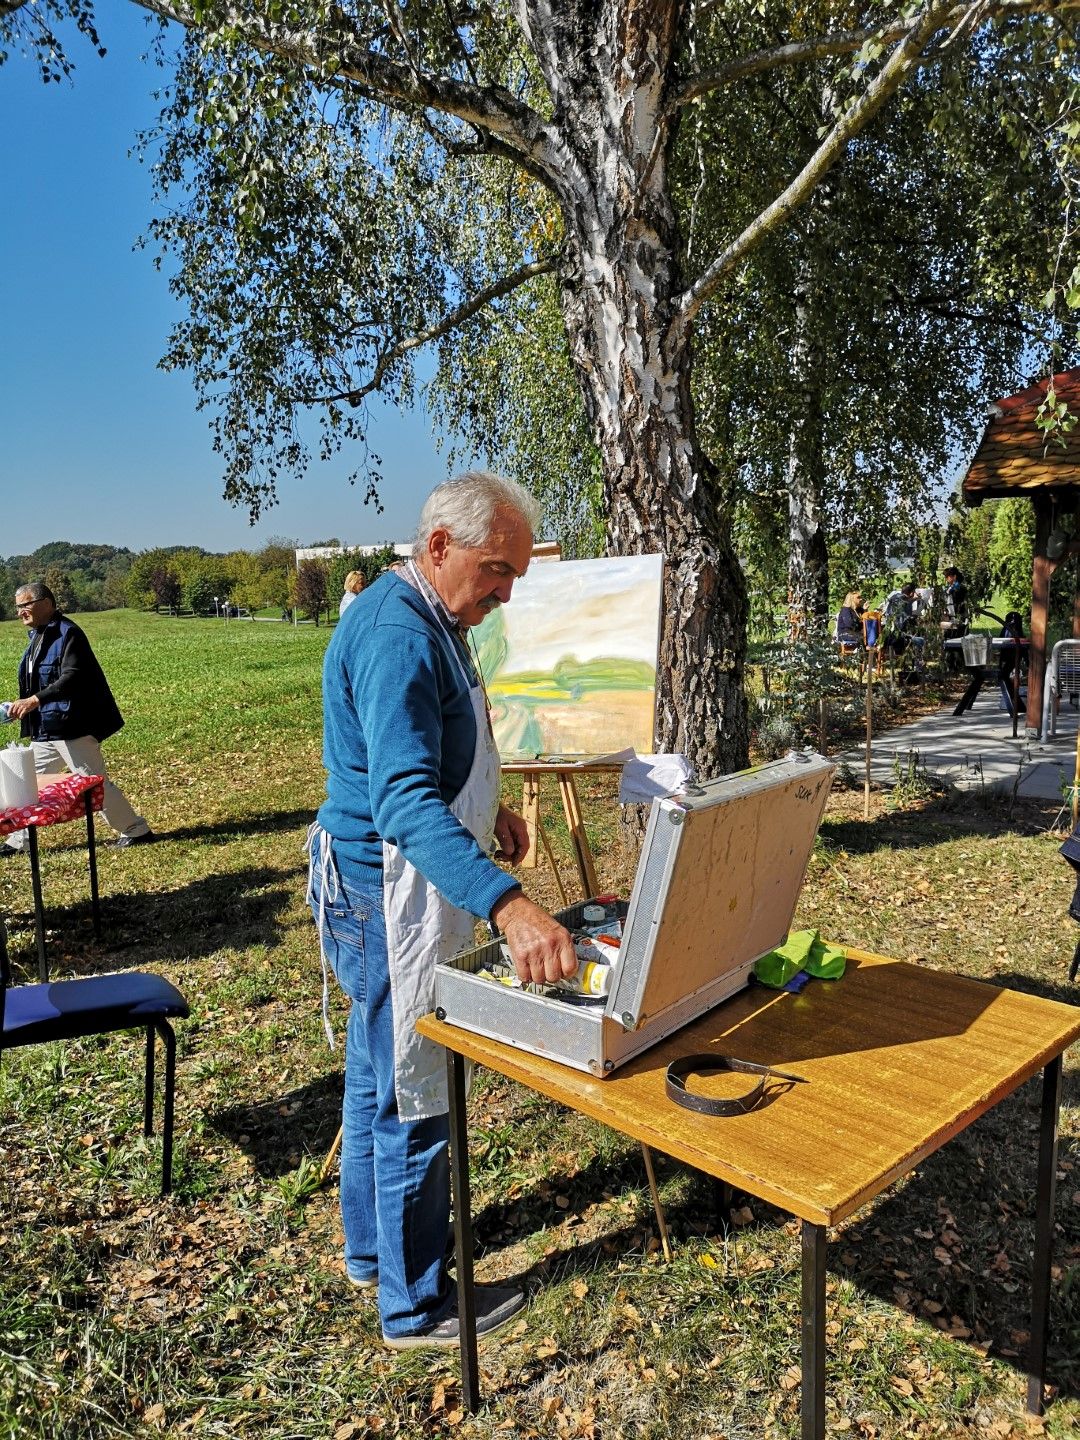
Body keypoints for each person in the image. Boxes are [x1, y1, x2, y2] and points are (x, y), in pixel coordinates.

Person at [306, 472, 577, 1352]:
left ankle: (372, 1254)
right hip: (382, 894)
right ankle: (416, 1305)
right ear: (438, 547)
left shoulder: (433, 612)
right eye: (498, 571)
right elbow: (402, 801)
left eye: (515, 576)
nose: (506, 595)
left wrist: (488, 809)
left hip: (384, 883)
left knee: (374, 1075)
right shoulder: (397, 634)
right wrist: (509, 905)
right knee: (416, 1089)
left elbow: (437, 748)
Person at [1, 582, 153, 855]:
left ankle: (135, 829)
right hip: (46, 727)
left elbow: (73, 677)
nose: (20, 611)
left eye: (25, 605)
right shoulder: (37, 636)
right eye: (18, 606)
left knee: (93, 782)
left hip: (72, 727)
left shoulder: (68, 633)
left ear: (46, 603)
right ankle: (19, 841)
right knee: (27, 784)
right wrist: (23, 705)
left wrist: (35, 700)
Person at [941, 566, 969, 670]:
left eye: (947, 577)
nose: (946, 579)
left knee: (956, 641)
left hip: (958, 618)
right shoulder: (951, 588)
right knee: (949, 640)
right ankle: (951, 664)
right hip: (951, 618)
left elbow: (958, 605)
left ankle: (957, 664)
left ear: (954, 576)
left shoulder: (959, 588)